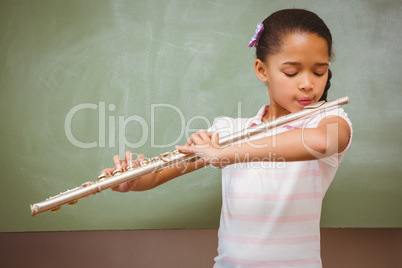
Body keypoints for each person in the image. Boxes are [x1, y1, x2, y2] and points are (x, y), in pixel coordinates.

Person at [102, 8, 352, 268]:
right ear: (262, 70)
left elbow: (325, 141)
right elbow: (156, 176)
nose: (307, 84)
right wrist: (133, 179)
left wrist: (226, 153)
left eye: (319, 72)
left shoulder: (328, 120)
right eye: (291, 72)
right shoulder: (230, 130)